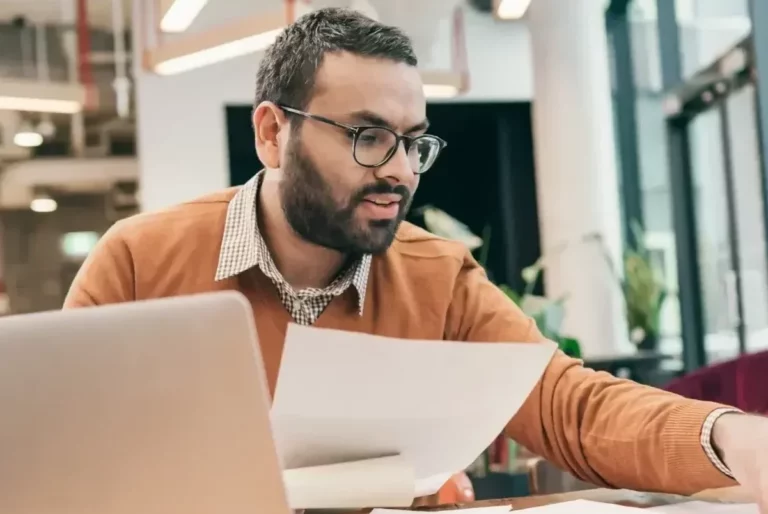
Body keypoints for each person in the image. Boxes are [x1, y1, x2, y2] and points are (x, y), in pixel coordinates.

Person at [64, 7, 768, 510]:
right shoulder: (138, 263)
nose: (400, 171)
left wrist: (730, 439)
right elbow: (63, 464)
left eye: (414, 142)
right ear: (273, 133)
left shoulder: (440, 276)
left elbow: (567, 407)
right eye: (369, 137)